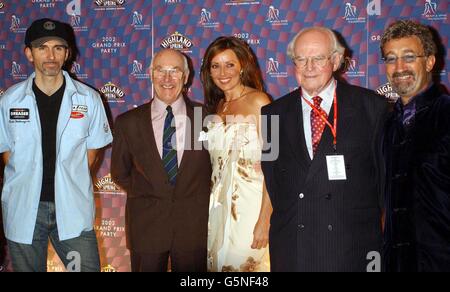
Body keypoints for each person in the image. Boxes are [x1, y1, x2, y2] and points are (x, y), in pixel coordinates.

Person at [261, 27, 389, 272]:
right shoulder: (271, 115)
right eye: (301, 59)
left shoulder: (372, 108)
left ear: (336, 60)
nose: (309, 67)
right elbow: (274, 182)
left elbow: (382, 183)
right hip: (293, 246)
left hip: (352, 246)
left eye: (318, 58)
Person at [0, 18, 113, 272]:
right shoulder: (10, 100)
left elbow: (91, 157)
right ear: (29, 53)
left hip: (71, 210)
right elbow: (8, 155)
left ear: (67, 53)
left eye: (58, 48)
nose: (50, 55)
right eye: (42, 47)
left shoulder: (89, 99)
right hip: (24, 210)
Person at [111, 49, 212, 272]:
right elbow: (120, 172)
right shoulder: (128, 122)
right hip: (146, 226)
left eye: (174, 71)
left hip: (193, 228)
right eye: (160, 71)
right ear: (150, 74)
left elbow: (216, 170)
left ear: (186, 77)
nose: (167, 78)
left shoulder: (206, 117)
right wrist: (150, 191)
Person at [381, 20, 450, 272]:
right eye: (391, 58)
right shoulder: (387, 123)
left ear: (430, 62)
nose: (399, 67)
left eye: (409, 57)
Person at [201, 36, 272, 272]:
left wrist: (264, 219)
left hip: (250, 209)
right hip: (218, 207)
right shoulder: (218, 106)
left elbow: (274, 164)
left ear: (242, 66)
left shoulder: (259, 101)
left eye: (230, 64)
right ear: (208, 71)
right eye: (215, 65)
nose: (223, 72)